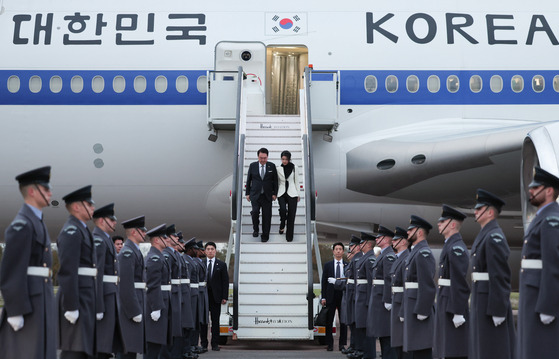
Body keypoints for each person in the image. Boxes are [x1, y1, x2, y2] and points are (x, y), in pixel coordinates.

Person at [0, 166, 56, 359]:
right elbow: (11, 270)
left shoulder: (36, 221)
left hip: (40, 299)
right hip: (28, 304)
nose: (50, 192)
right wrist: (15, 310)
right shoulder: (22, 224)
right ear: (32, 191)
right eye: (46, 188)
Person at [518, 167, 559, 359]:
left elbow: (553, 266)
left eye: (536, 188)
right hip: (532, 294)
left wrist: (548, 306)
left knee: (541, 349)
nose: (531, 191)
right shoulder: (542, 216)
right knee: (532, 349)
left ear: (549, 191)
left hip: (540, 298)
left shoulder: (551, 218)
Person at [469, 189, 515, 359]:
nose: (475, 211)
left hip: (489, 301)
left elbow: (500, 276)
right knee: (483, 348)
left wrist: (498, 310)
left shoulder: (493, 236)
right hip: (481, 298)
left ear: (489, 212)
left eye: (479, 208)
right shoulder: (486, 234)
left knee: (493, 349)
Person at [57, 185, 97, 359]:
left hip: (85, 295)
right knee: (74, 349)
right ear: (76, 207)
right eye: (89, 204)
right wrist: (71, 306)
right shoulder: (72, 230)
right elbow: (68, 271)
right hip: (77, 298)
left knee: (84, 348)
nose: (93, 207)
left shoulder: (81, 229)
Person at [433, 205, 469, 359]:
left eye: (442, 221)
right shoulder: (450, 245)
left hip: (452, 304)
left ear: (452, 224)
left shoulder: (456, 247)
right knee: (446, 346)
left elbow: (459, 281)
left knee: (454, 348)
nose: (438, 224)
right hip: (445, 300)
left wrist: (458, 311)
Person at [401, 215, 436, 359]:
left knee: (421, 347)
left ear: (420, 232)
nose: (408, 233)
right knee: (415, 347)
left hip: (419, 306)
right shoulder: (415, 252)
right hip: (412, 303)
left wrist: (423, 310)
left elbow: (427, 284)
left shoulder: (423, 252)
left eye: (411, 230)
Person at [92, 203, 122, 359]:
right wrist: (98, 306)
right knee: (101, 345)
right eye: (112, 219)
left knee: (106, 344)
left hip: (110, 295)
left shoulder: (106, 239)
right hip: (103, 297)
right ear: (102, 221)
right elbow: (97, 274)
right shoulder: (98, 240)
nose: (115, 222)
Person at [117, 216, 147, 359]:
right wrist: (133, 311)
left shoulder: (134, 250)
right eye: (143, 231)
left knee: (132, 347)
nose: (145, 233)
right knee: (127, 349)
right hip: (129, 308)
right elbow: (125, 285)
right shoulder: (127, 252)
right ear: (134, 232)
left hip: (136, 303)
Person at [368, 226, 397, 359]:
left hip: (383, 300)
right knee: (383, 335)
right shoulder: (383, 254)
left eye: (379, 237)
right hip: (379, 299)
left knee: (386, 336)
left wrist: (388, 300)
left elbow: (389, 279)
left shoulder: (388, 256)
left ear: (386, 239)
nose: (377, 239)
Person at [144, 224, 171, 359]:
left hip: (162, 302)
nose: (167, 240)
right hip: (157, 305)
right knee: (153, 344)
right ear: (156, 240)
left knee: (158, 342)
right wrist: (156, 307)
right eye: (164, 238)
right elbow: (153, 285)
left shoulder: (159, 256)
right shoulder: (154, 258)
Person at [351, 232, 376, 359]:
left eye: (362, 242)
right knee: (361, 327)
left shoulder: (370, 258)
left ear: (368, 244)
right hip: (360, 298)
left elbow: (371, 282)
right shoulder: (364, 257)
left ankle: (369, 354)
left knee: (367, 328)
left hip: (365, 299)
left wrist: (369, 301)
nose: (360, 244)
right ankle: (365, 353)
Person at [245, 147, 278, 242]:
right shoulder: (252, 166)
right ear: (258, 157)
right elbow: (249, 180)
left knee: (267, 216)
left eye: (264, 158)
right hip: (255, 195)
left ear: (267, 157)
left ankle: (265, 235)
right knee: (255, 212)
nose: (263, 160)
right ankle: (256, 229)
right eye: (261, 158)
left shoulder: (272, 166)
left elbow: (275, 181)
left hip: (267, 196)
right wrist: (247, 193)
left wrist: (274, 193)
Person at [160, 225, 183, 359]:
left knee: (174, 326)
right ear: (168, 238)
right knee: (169, 327)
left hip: (175, 292)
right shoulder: (166, 254)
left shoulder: (173, 254)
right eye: (175, 236)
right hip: (170, 293)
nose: (177, 238)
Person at [202, 242, 229, 351]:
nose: (210, 251)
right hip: (203, 297)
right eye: (208, 249)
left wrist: (224, 297)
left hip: (216, 297)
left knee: (215, 321)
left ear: (215, 251)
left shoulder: (221, 265)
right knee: (203, 321)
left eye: (212, 249)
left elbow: (225, 282)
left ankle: (215, 344)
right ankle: (204, 344)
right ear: (205, 251)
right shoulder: (201, 263)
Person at [321, 242, 348, 352]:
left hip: (343, 296)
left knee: (343, 321)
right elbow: (324, 282)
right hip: (330, 296)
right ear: (333, 251)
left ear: (343, 251)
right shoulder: (328, 265)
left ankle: (342, 344)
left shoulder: (347, 265)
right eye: (336, 249)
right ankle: (330, 344)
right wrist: (323, 297)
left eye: (340, 249)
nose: (338, 251)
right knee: (329, 321)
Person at [389, 227, 410, 359]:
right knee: (398, 341)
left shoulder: (406, 258)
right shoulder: (399, 258)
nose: (393, 241)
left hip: (401, 303)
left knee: (402, 342)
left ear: (403, 242)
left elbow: (406, 287)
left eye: (396, 239)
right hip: (396, 301)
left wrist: (402, 311)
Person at [342, 235, 364, 357]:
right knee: (352, 323)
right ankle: (354, 346)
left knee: (356, 324)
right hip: (351, 295)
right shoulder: (355, 260)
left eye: (351, 246)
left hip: (355, 295)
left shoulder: (358, 259)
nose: (349, 248)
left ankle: (358, 348)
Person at [277, 150, 300, 242]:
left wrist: (298, 194)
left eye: (286, 159)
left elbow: (296, 181)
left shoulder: (295, 167)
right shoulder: (278, 168)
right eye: (282, 159)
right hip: (281, 192)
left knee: (291, 215)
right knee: (283, 209)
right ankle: (282, 224)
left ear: (289, 159)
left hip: (292, 192)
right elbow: (278, 182)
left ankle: (289, 236)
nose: (284, 161)